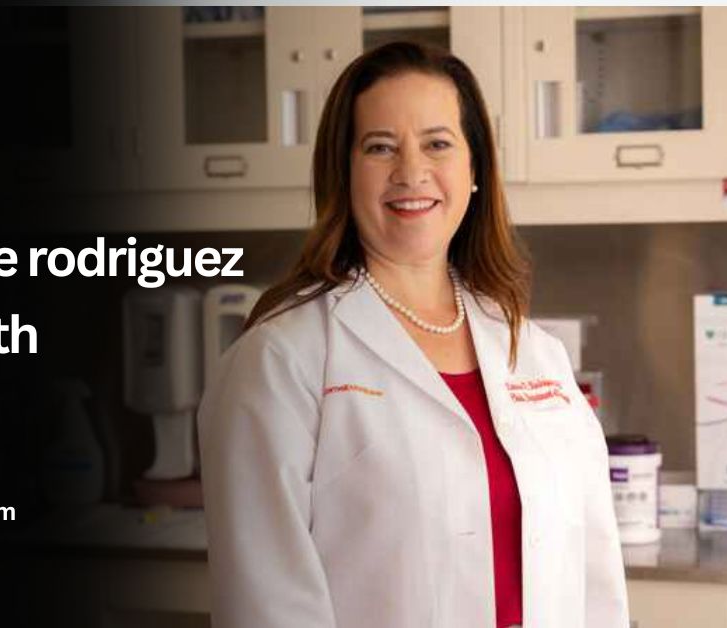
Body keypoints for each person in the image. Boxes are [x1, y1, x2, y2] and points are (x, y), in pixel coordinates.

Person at [197, 42, 629, 628]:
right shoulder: (281, 359)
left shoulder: (534, 353)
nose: (411, 172)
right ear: (343, 173)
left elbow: (595, 577)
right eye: (380, 147)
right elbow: (267, 606)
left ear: (475, 170)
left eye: (437, 144)